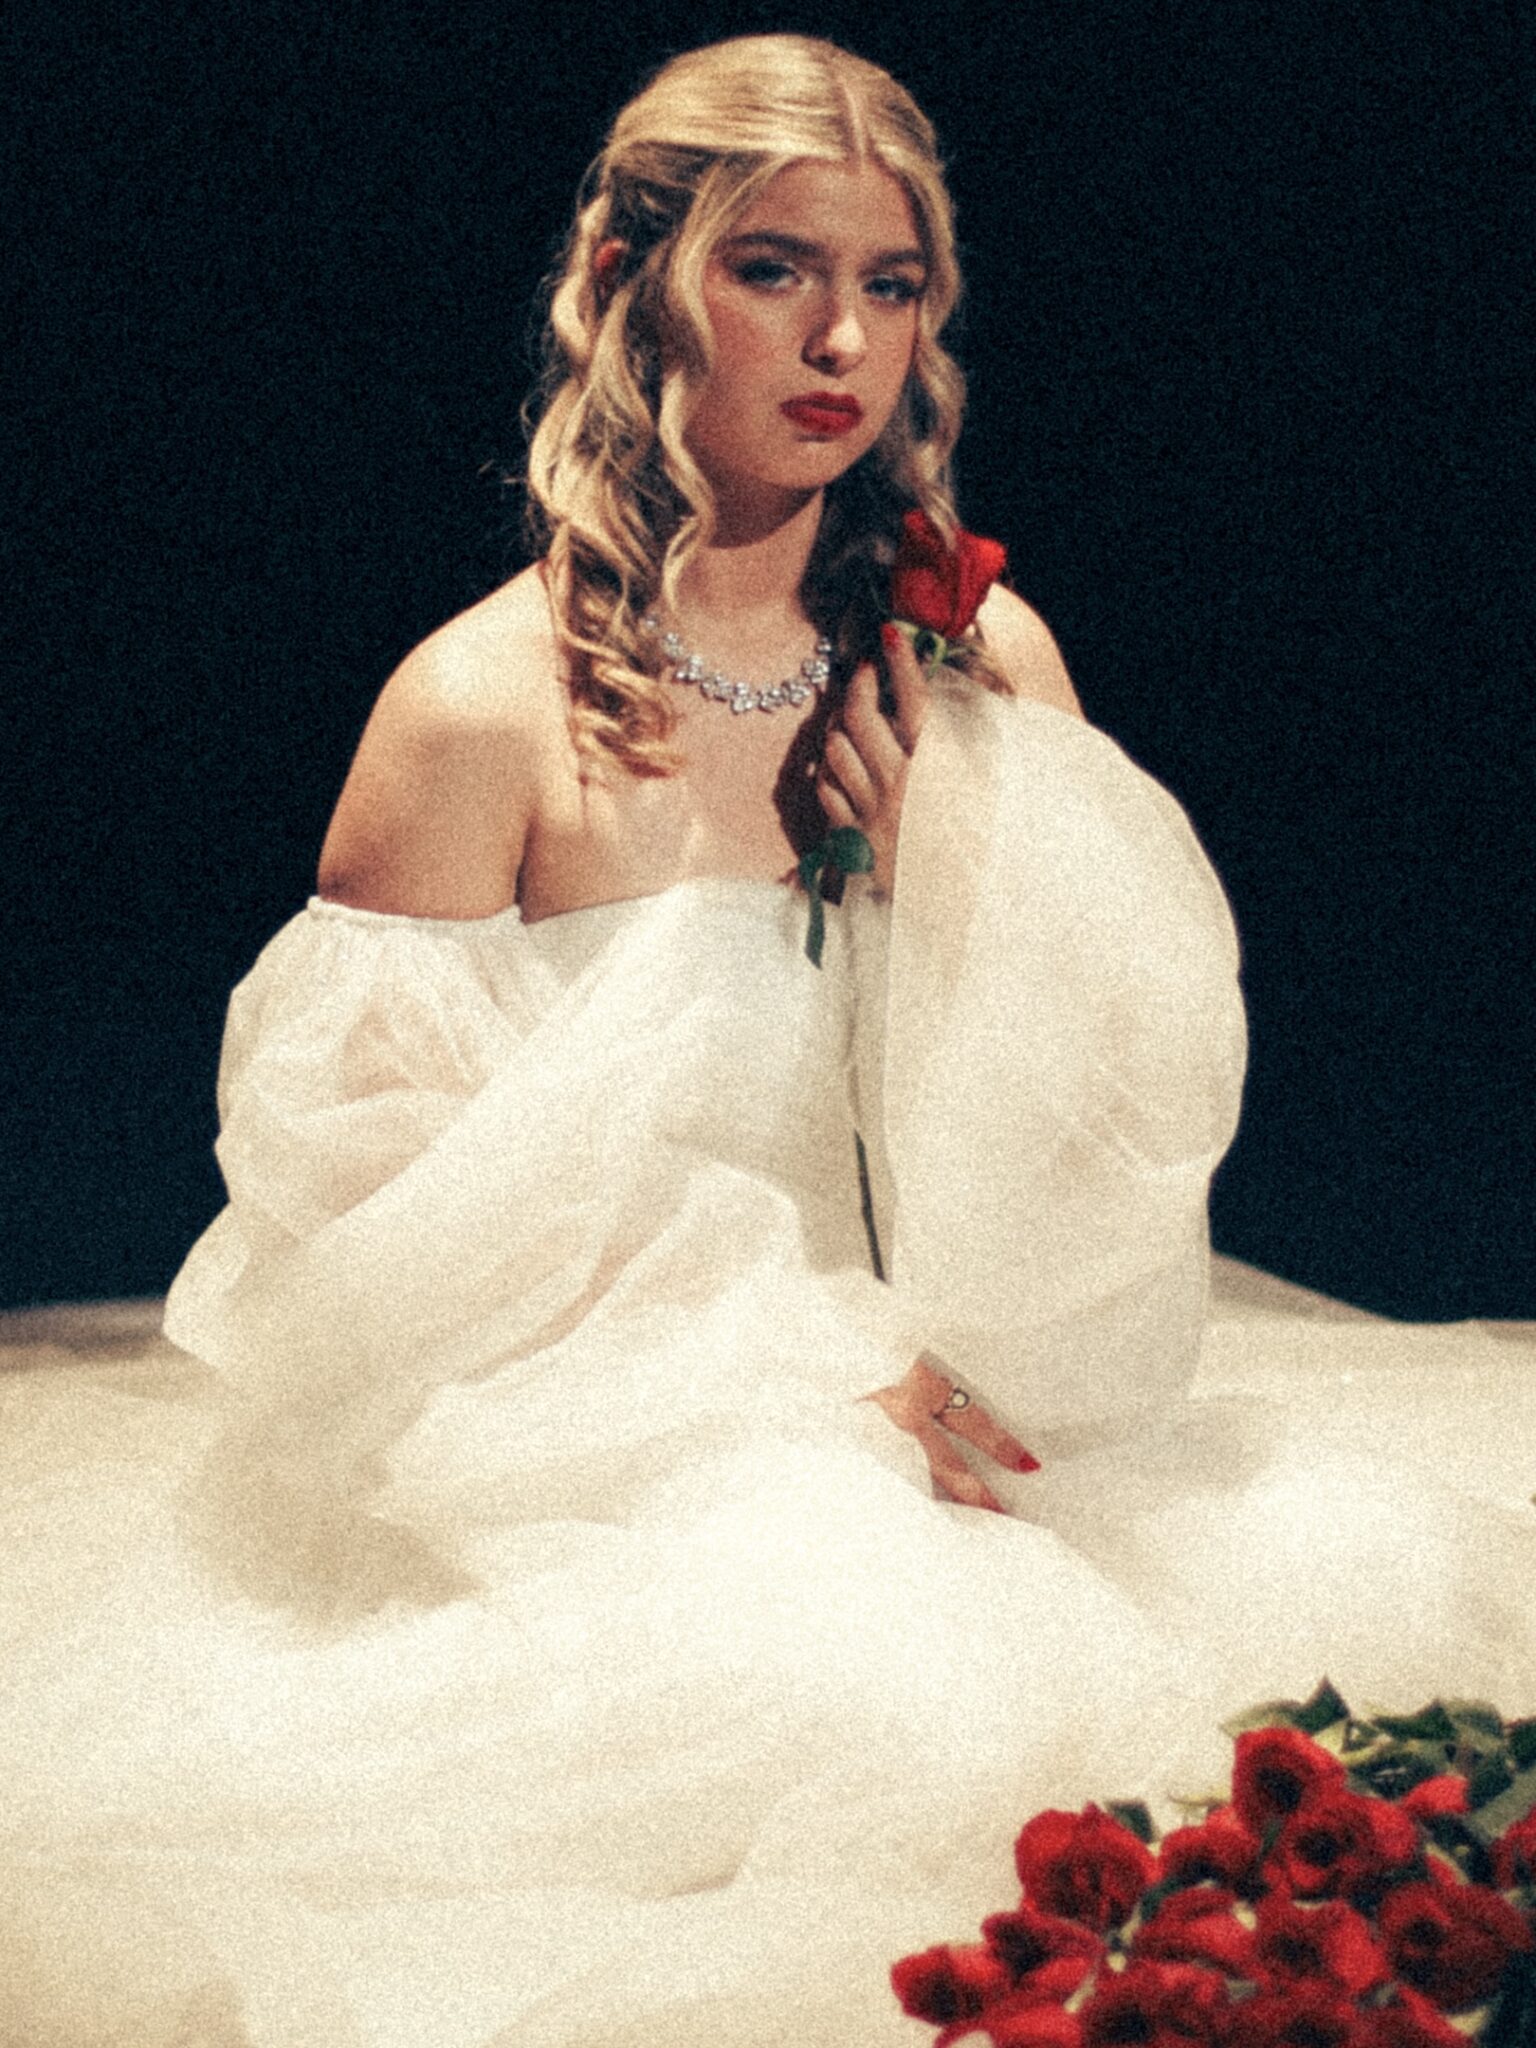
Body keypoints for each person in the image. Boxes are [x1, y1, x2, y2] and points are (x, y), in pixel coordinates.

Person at [2, 34, 1532, 2048]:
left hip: (968, 1379)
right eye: (773, 269)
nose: (842, 343)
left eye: (891, 284)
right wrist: (807, 1382)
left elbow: (1112, 1117)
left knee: (1345, 1586)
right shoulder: (480, 710)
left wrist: (961, 884)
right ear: (632, 282)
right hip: (608, 1422)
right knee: (882, 1677)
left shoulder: (975, 657)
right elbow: (377, 1225)